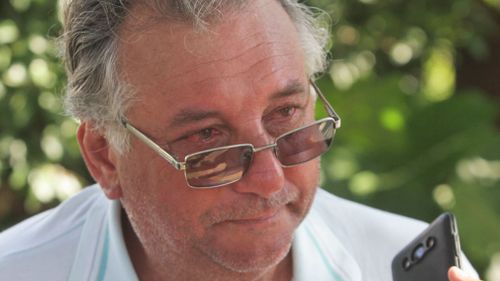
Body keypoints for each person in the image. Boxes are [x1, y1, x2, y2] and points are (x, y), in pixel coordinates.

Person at [0, 0, 483, 280]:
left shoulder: (395, 261)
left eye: (285, 114)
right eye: (208, 140)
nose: (271, 181)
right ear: (106, 157)